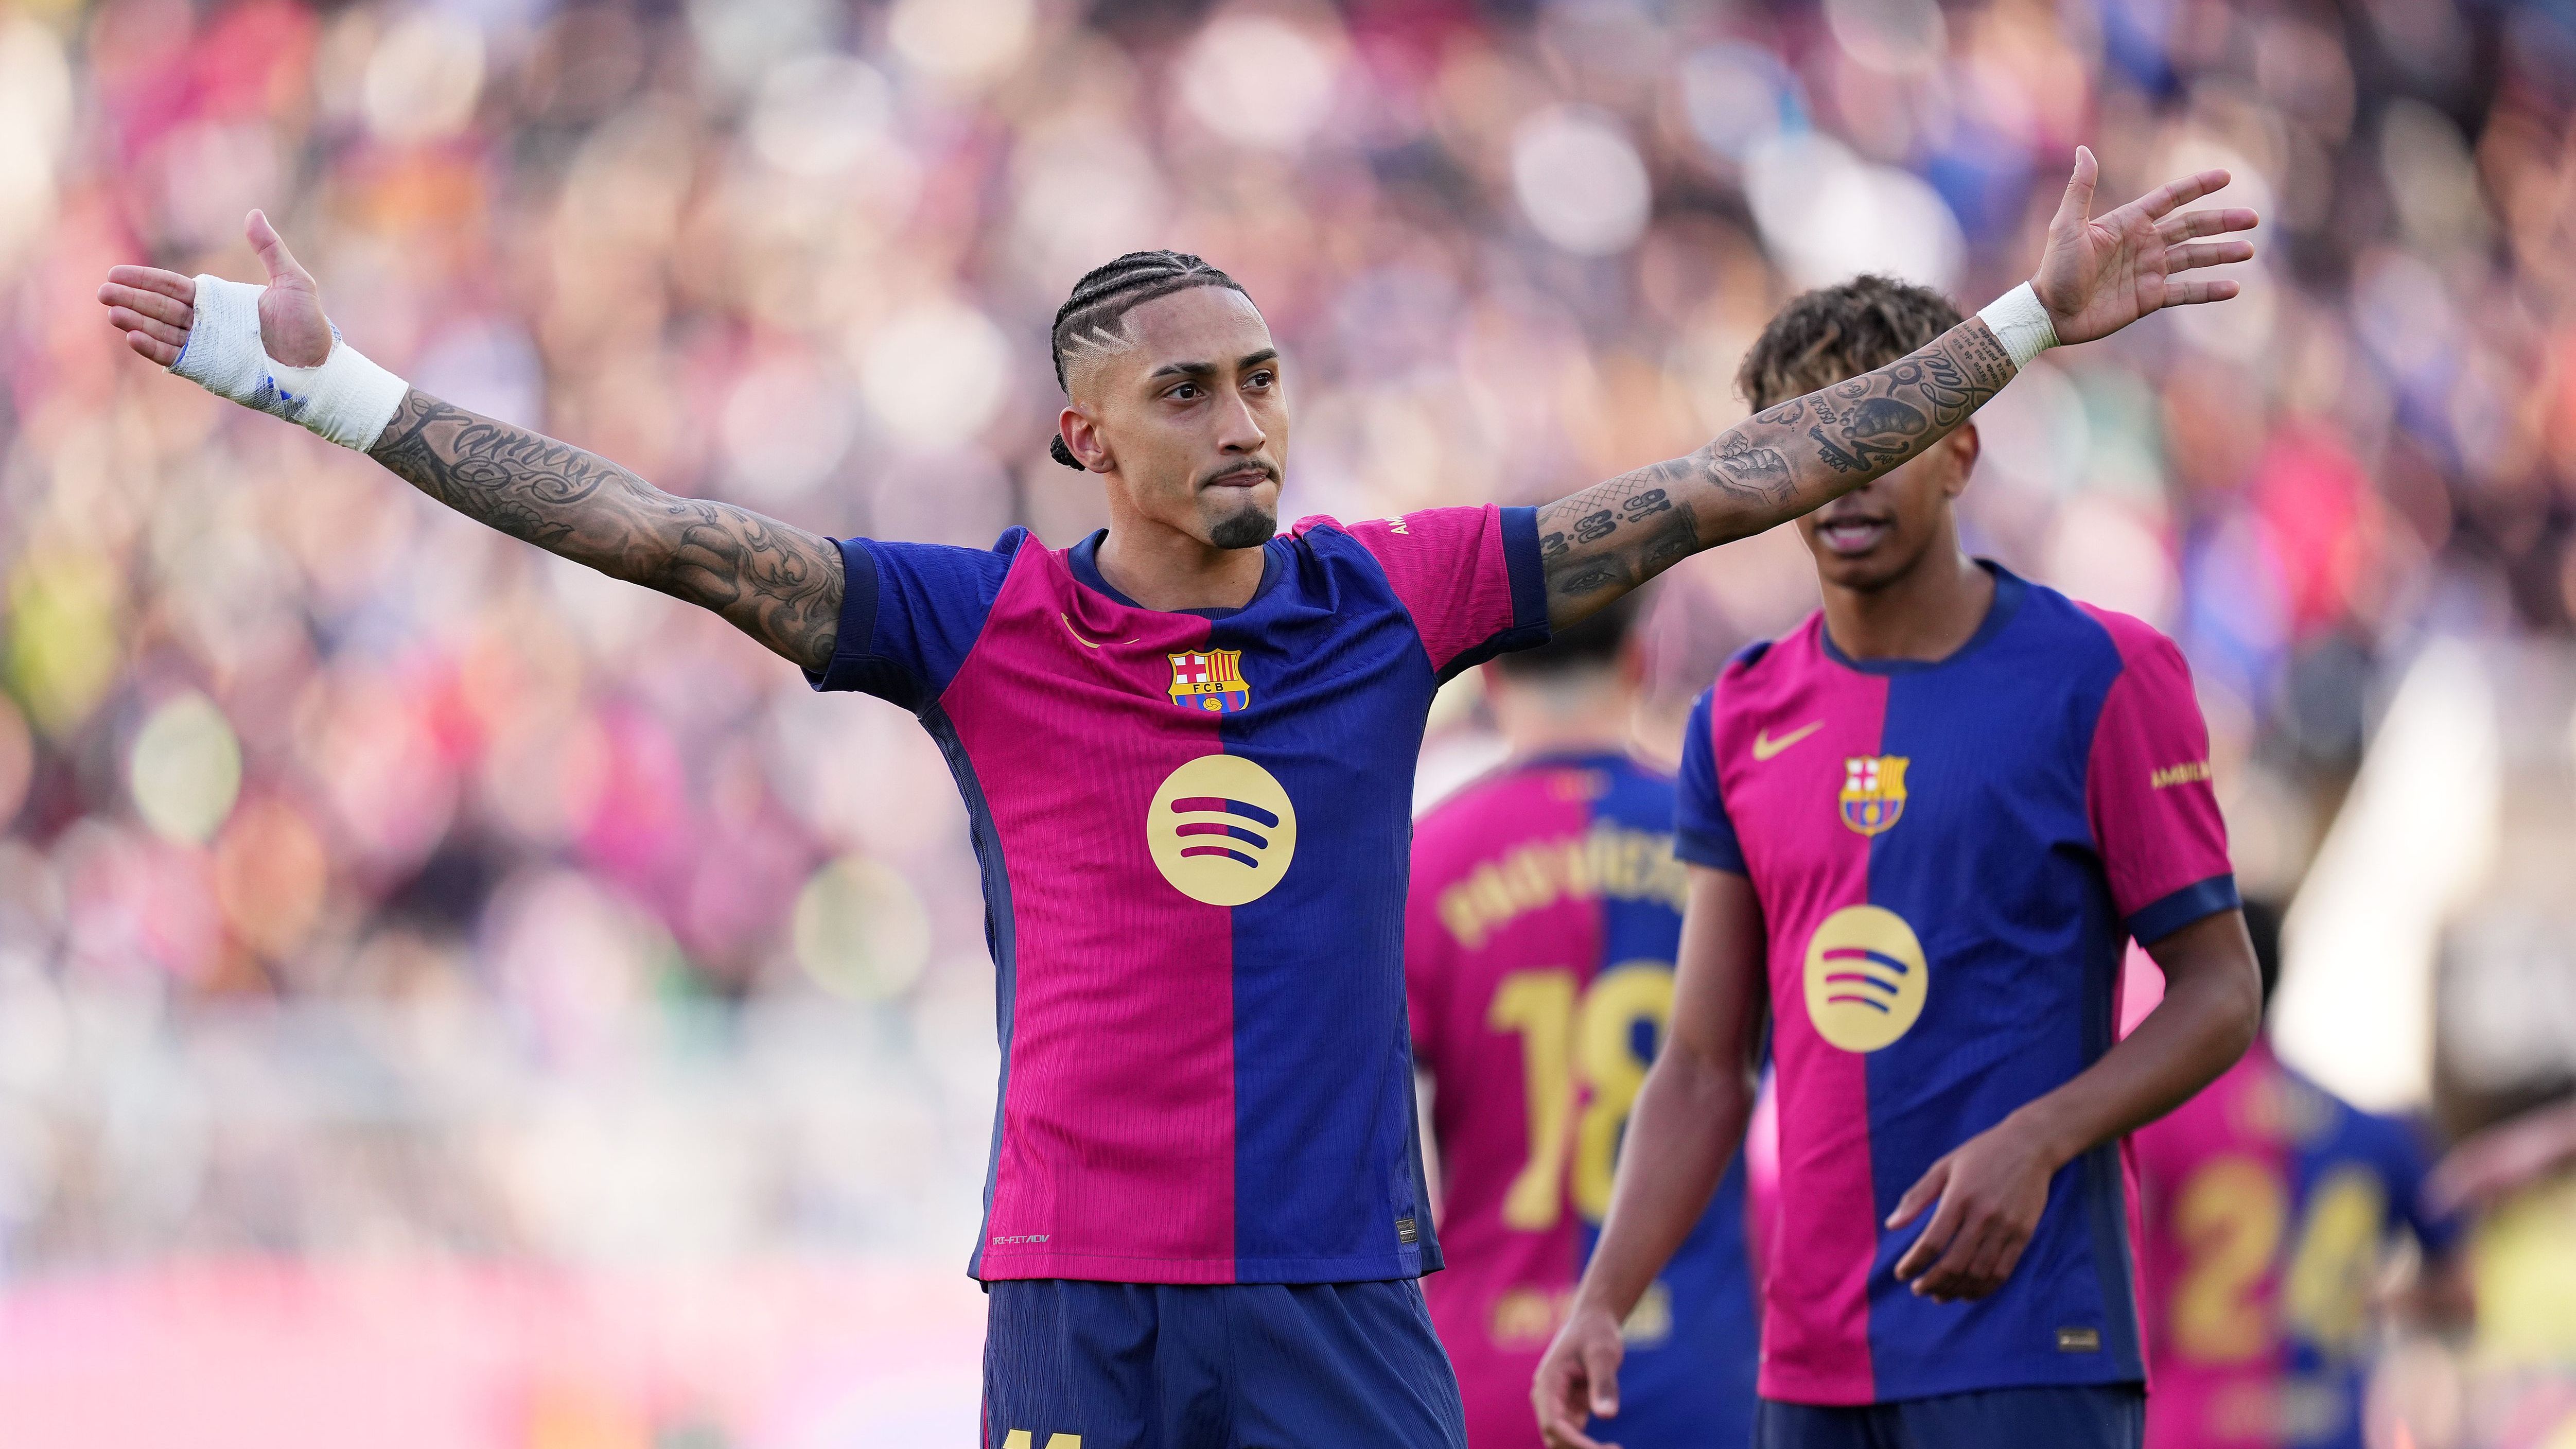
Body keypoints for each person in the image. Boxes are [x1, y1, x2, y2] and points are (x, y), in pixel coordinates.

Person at [98, 148, 2253, 1447]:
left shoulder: (1388, 598)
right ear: (1084, 439)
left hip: (1340, 1297)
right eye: (1188, 392)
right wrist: (334, 390)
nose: (1245, 423)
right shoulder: (974, 626)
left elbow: (1722, 484)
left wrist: (2020, 321)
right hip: (1081, 1293)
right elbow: (655, 528)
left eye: (1264, 381)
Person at [1534, 273, 2269, 1449]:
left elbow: (2221, 990)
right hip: (1811, 1366)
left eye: (1881, 439)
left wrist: (2039, 1138)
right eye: (1811, 447)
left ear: (1959, 454)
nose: (1845, 478)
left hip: (2032, 1344)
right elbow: (1706, 1064)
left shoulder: (2102, 674)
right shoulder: (1739, 714)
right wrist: (1602, 1299)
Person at [1407, 595, 1762, 1449]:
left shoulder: (1423, 860)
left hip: (1486, 1375)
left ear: (1490, 674)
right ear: (1643, 658)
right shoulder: (1729, 851)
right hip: (1706, 1366)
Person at [2131, 901, 2465, 1449]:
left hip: (2191, 1423)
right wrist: (2360, 1294)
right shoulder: (2374, 1130)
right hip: (2330, 1425)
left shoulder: (2155, 1122)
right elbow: (2461, 1290)